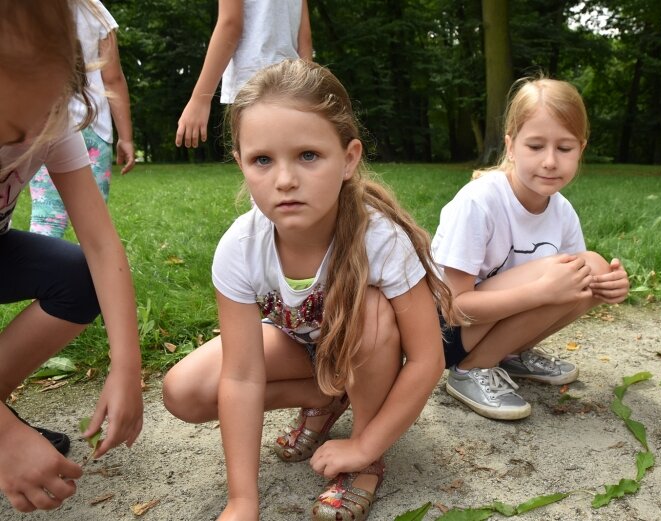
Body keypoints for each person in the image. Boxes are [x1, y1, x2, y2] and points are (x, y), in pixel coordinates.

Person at [162, 59, 455, 521]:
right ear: (241, 163)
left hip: (367, 349)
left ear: (349, 159)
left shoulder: (379, 239)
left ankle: (365, 459)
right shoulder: (240, 246)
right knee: (185, 392)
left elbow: (426, 359)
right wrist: (242, 501)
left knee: (372, 313)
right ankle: (326, 396)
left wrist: (364, 445)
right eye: (263, 160)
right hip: (302, 348)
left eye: (308, 156)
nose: (285, 180)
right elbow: (241, 376)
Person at [0, 0, 143, 512]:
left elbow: (102, 246)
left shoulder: (47, 112)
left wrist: (126, 364)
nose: (24, 145)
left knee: (77, 275)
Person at [431, 77, 630, 420]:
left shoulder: (562, 210)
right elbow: (454, 308)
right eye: (535, 146)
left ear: (581, 149)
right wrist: (541, 291)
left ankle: (511, 353)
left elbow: (574, 286)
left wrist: (607, 287)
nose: (550, 161)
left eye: (564, 148)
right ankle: (471, 370)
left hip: (490, 320)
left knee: (592, 271)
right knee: (567, 276)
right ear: (510, 146)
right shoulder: (480, 202)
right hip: (442, 332)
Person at [29, 0, 136, 238]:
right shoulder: (95, 10)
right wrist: (125, 137)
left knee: (46, 218)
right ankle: (92, 274)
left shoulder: (25, 10)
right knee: (94, 225)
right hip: (94, 129)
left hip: (45, 126)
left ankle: (37, 274)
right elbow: (113, 78)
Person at [175, 0, 312, 149]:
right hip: (294, 83)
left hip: (253, 84)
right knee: (292, 159)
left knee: (261, 161)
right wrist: (308, 93)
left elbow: (230, 24)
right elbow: (304, 39)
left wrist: (200, 100)